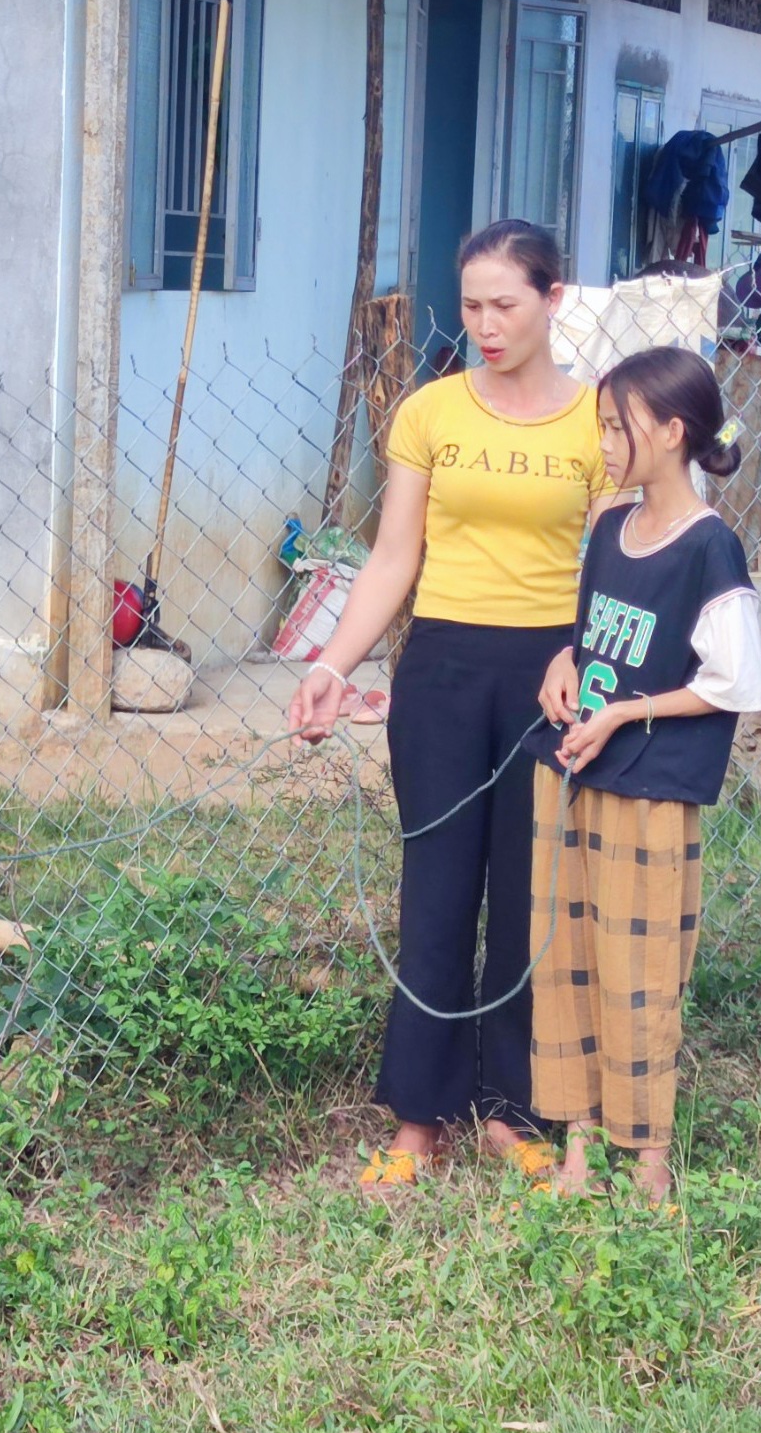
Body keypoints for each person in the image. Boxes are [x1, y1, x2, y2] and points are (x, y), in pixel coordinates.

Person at [288, 220, 613, 1188]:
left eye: (504, 304)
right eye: (470, 305)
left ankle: (511, 1113)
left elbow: (606, 568)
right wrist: (333, 664)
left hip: (549, 675)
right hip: (440, 666)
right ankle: (417, 1118)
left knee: (526, 893)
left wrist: (579, 657)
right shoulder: (430, 412)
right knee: (435, 889)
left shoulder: (598, 420)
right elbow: (394, 556)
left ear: (554, 300)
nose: (485, 324)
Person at [528, 346, 761, 1204]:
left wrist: (627, 712)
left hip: (648, 786)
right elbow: (593, 634)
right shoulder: (607, 527)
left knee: (639, 971)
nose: (602, 441)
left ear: (670, 432)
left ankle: (649, 1157)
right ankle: (578, 1149)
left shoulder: (709, 547)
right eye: (597, 424)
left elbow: (733, 680)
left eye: (614, 426)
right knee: (566, 963)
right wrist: (563, 658)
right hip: (572, 775)